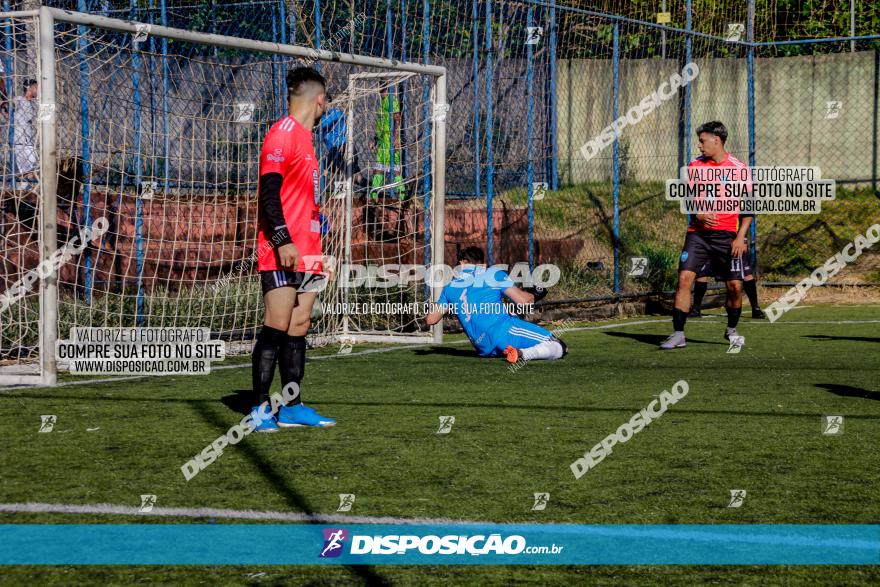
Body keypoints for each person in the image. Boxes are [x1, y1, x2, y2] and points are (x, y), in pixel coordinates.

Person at [250, 66, 335, 431]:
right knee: (277, 324)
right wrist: (283, 240)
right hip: (282, 249)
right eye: (326, 100)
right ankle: (258, 409)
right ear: (319, 99)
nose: (326, 106)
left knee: (300, 325)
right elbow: (269, 195)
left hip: (309, 249)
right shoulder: (281, 134)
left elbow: (297, 197)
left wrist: (319, 221)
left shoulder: (306, 138)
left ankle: (293, 405)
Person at [660, 121, 753, 349]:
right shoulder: (695, 166)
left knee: (734, 287)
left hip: (727, 237)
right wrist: (698, 214)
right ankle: (678, 334)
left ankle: (731, 330)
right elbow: (688, 198)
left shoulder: (739, 169)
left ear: (716, 140)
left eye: (703, 141)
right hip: (697, 235)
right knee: (684, 279)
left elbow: (749, 208)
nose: (699, 146)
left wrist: (741, 236)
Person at [424, 246, 567, 363]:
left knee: (511, 312)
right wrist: (537, 293)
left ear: (462, 262)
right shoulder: (493, 274)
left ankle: (514, 349)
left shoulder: (449, 287)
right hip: (503, 332)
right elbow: (524, 301)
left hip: (483, 347)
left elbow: (431, 319)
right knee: (558, 345)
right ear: (480, 262)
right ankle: (522, 353)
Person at [13, 79, 38, 178]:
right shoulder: (19, 99)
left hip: (27, 140)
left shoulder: (32, 104)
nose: (37, 90)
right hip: (18, 140)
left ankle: (27, 189)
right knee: (25, 170)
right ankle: (21, 190)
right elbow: (8, 106)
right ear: (29, 88)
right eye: (36, 87)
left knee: (33, 165)